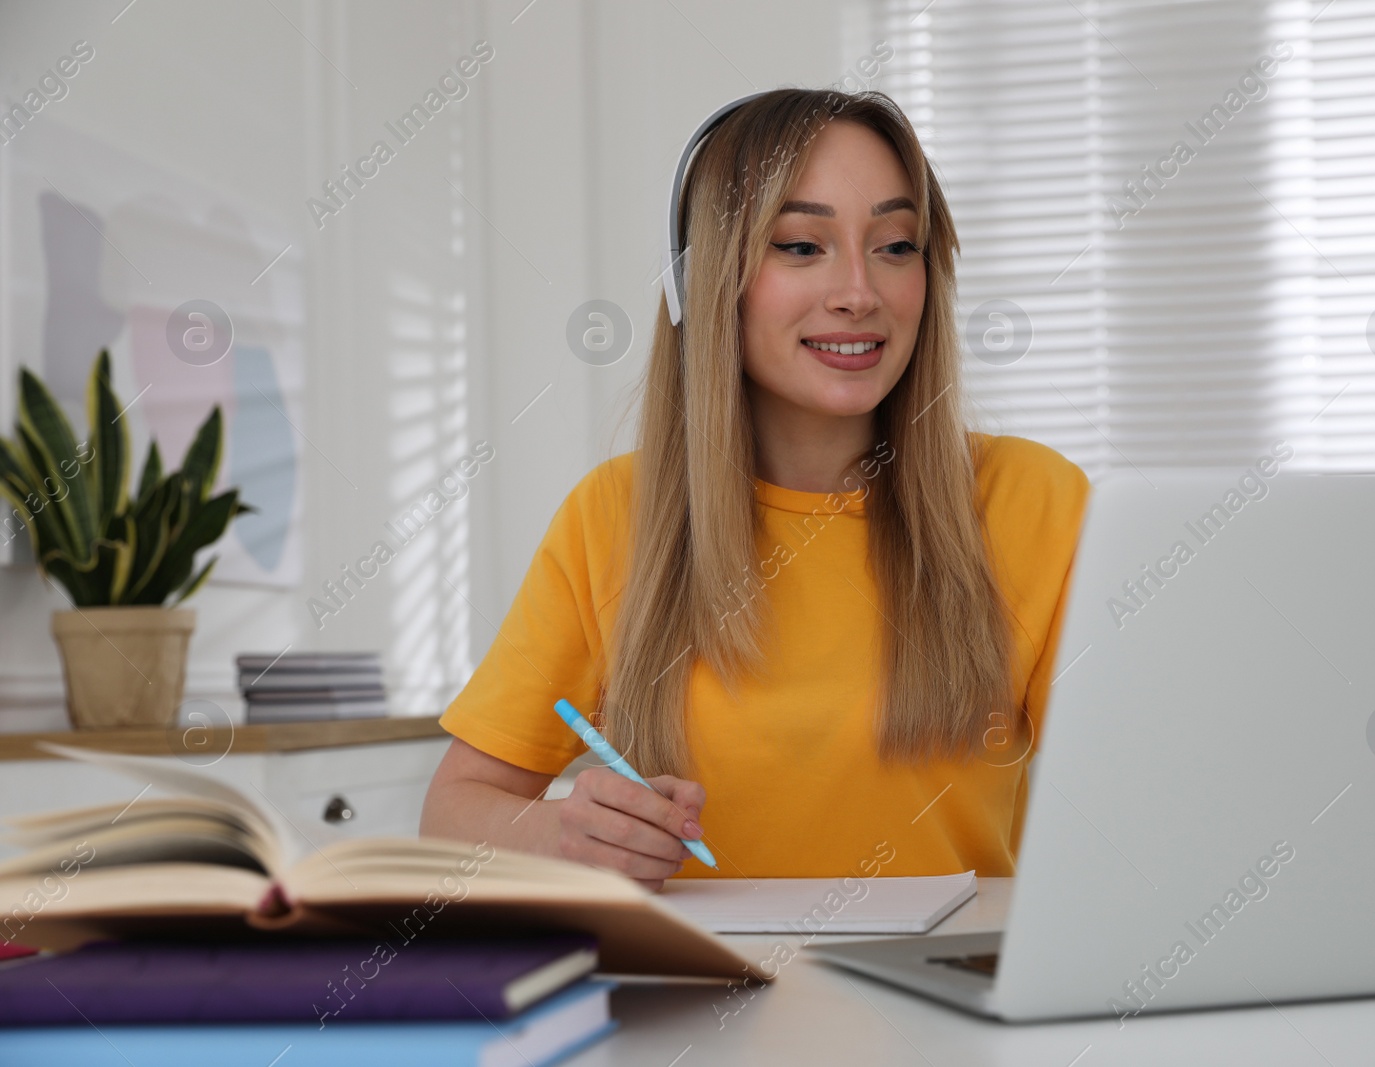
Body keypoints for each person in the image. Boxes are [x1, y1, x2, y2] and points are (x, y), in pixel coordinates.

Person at [420, 88, 1089, 890]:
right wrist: (565, 832)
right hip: (692, 1004)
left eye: (897, 245)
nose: (859, 291)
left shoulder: (1034, 501)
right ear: (699, 283)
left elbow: (1144, 793)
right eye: (802, 246)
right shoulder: (613, 517)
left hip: (941, 1004)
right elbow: (453, 813)